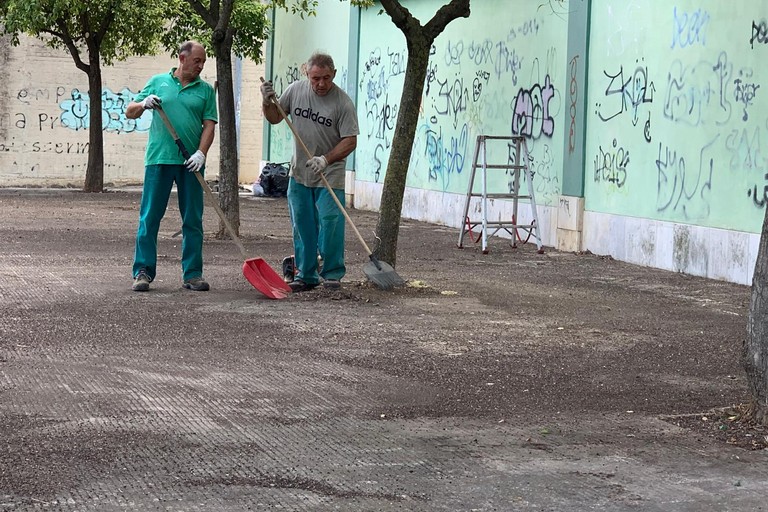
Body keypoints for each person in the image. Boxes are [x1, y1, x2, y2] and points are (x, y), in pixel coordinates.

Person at [260, 52, 359, 292]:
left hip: (329, 172)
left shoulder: (342, 102)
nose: (321, 84)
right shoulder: (295, 91)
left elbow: (350, 141)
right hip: (300, 173)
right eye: (316, 78)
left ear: (333, 74)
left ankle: (332, 274)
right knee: (302, 224)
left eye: (326, 78)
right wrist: (267, 101)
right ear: (307, 73)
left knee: (330, 222)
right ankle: (306, 274)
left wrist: (325, 159)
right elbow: (275, 118)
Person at [125, 41, 218, 292]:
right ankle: (143, 271)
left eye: (203, 62)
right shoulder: (158, 82)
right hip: (159, 159)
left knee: (193, 219)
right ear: (182, 58)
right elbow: (129, 111)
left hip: (191, 163)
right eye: (197, 61)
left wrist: (201, 153)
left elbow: (209, 124)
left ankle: (193, 274)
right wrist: (144, 104)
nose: (201, 66)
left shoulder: (206, 90)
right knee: (150, 217)